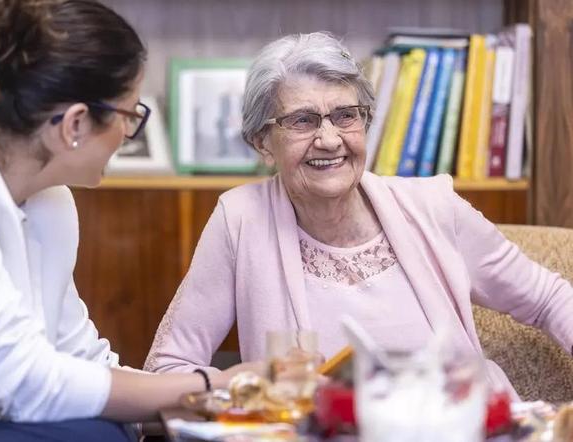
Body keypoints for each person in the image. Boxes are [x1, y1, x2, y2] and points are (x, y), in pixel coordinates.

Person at [144, 32, 573, 399]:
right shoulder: (239, 220)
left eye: (345, 116)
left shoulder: (434, 207)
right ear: (262, 141)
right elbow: (170, 365)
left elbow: (551, 298)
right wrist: (242, 394)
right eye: (303, 120)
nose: (329, 139)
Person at [0, 1, 258, 441]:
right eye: (130, 115)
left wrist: (209, 405)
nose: (130, 134)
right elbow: (19, 383)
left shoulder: (50, 198)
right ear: (75, 123)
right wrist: (208, 384)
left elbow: (81, 360)